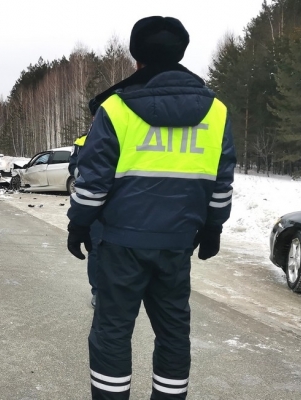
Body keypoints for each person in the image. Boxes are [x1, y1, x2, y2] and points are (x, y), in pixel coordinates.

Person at [66, 16, 236, 399]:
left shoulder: (116, 108)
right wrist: (213, 227)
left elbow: (93, 183)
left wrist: (78, 225)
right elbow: (221, 182)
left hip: (121, 245)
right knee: (174, 333)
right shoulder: (217, 112)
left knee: (112, 332)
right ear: (181, 52)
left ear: (136, 57)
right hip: (177, 245)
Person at [70, 133, 102, 309]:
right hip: (94, 202)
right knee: (96, 248)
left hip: (120, 203)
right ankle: (97, 291)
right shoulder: (82, 141)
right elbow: (73, 166)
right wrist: (86, 175)